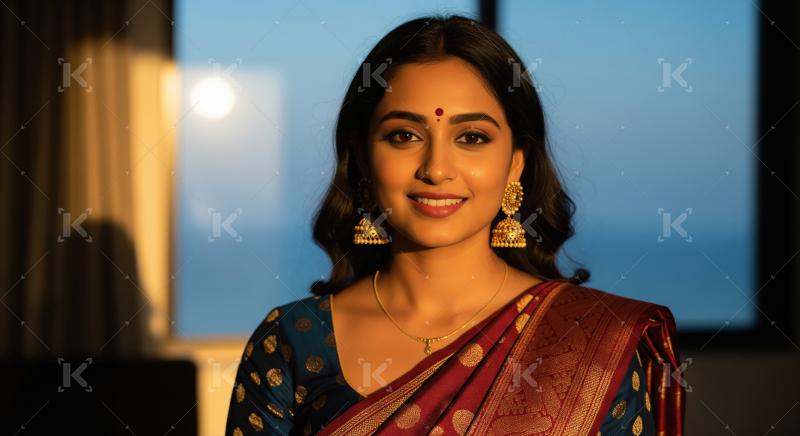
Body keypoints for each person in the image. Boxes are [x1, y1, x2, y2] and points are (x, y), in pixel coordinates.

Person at [225, 14, 684, 436]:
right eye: (404, 135)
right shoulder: (294, 340)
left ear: (515, 164)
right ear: (363, 158)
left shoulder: (588, 343)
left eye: (472, 137)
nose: (437, 168)